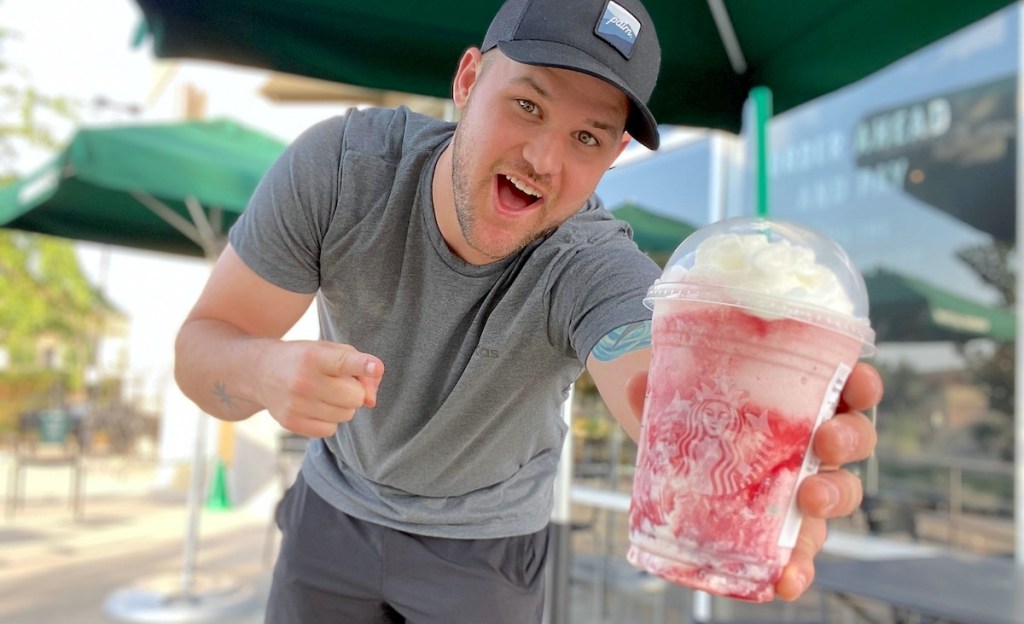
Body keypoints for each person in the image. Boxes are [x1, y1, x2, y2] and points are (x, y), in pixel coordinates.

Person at [174, 0, 883, 621]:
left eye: (588, 137)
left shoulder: (591, 262)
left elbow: (664, 387)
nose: (544, 158)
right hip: (332, 512)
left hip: (486, 550)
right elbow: (201, 348)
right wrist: (264, 370)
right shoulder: (341, 170)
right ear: (467, 81)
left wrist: (764, 457)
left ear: (611, 158)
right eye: (527, 105)